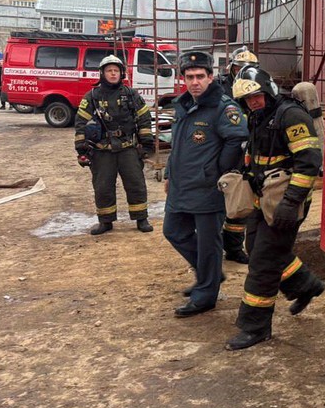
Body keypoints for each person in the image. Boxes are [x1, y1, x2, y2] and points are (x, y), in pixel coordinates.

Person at [225, 66, 325, 351]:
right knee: (257, 246)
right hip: (263, 199)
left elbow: (309, 162)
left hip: (285, 203)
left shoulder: (290, 115)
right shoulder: (258, 116)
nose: (253, 102)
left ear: (267, 89)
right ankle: (306, 285)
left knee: (263, 263)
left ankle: (255, 327)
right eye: (247, 99)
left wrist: (291, 203)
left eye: (256, 96)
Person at [164, 51, 249, 318]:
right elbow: (177, 145)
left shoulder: (224, 107)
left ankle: (205, 295)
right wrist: (168, 174)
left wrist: (218, 171)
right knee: (173, 231)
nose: (195, 82)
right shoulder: (183, 104)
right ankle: (209, 275)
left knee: (209, 242)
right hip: (181, 185)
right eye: (190, 77)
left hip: (207, 187)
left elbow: (237, 139)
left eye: (200, 76)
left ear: (211, 77)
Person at [73, 55, 154, 235]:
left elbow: (144, 119)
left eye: (116, 71)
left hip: (128, 149)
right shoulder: (92, 97)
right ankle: (105, 221)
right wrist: (81, 150)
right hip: (102, 152)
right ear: (102, 73)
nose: (113, 74)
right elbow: (80, 123)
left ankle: (141, 218)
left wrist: (146, 145)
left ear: (121, 73)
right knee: (103, 187)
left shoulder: (131, 95)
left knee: (136, 184)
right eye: (109, 71)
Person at [215, 46, 260, 265]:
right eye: (239, 67)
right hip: (219, 150)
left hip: (245, 151)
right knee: (214, 200)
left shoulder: (258, 86)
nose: (243, 71)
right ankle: (211, 245)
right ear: (231, 67)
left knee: (240, 198)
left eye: (248, 68)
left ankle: (233, 247)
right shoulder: (218, 87)